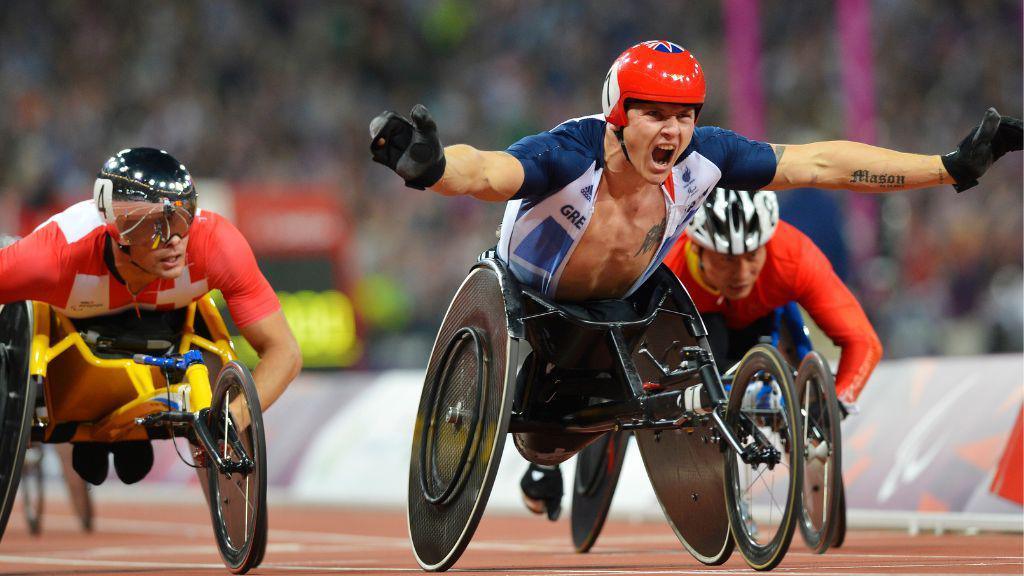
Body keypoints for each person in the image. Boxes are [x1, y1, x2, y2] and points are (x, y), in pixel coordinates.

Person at [369, 40, 1022, 520]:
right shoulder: (569, 153)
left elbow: (823, 162)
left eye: (685, 115)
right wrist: (432, 168)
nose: (675, 132)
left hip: (623, 308)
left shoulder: (705, 157)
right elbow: (488, 173)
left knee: (550, 446)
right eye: (657, 115)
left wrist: (950, 166)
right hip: (532, 295)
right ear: (619, 114)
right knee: (542, 440)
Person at [0, 147, 302, 485]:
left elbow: (285, 352)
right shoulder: (56, 254)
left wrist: (234, 417)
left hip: (165, 337)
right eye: (153, 225)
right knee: (98, 463)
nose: (174, 239)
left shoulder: (215, 244)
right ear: (119, 230)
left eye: (182, 217)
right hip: (70, 360)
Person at [664, 187, 881, 407]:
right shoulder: (669, 263)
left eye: (752, 255)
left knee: (794, 343)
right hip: (698, 325)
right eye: (727, 259)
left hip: (766, 318)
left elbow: (863, 341)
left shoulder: (793, 256)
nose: (741, 273)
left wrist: (836, 404)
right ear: (697, 248)